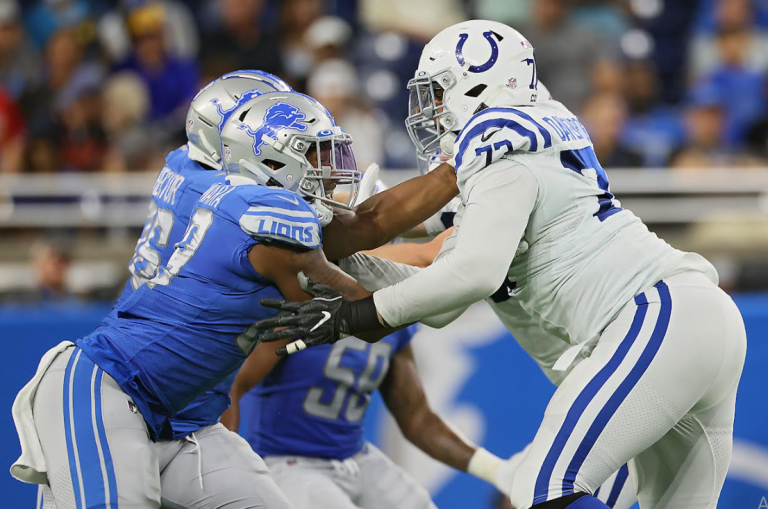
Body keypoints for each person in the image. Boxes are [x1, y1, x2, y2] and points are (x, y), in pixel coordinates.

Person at [253, 20, 747, 509]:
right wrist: (345, 263)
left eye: (438, 92)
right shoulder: (516, 164)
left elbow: (473, 272)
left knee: (542, 490)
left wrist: (358, 315)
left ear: (477, 84)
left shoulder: (498, 139)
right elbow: (444, 297)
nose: (431, 110)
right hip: (693, 317)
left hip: (656, 317)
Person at [11, 82, 462, 508]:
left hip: (183, 420)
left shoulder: (215, 187)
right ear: (270, 161)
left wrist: (463, 169)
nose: (330, 170)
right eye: (314, 154)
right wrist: (461, 273)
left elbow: (365, 227)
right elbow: (367, 307)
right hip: (108, 389)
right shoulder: (270, 225)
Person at [23, 70, 297, 509]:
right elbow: (345, 243)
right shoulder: (232, 204)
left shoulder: (186, 169)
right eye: (276, 131)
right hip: (120, 388)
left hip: (182, 413)